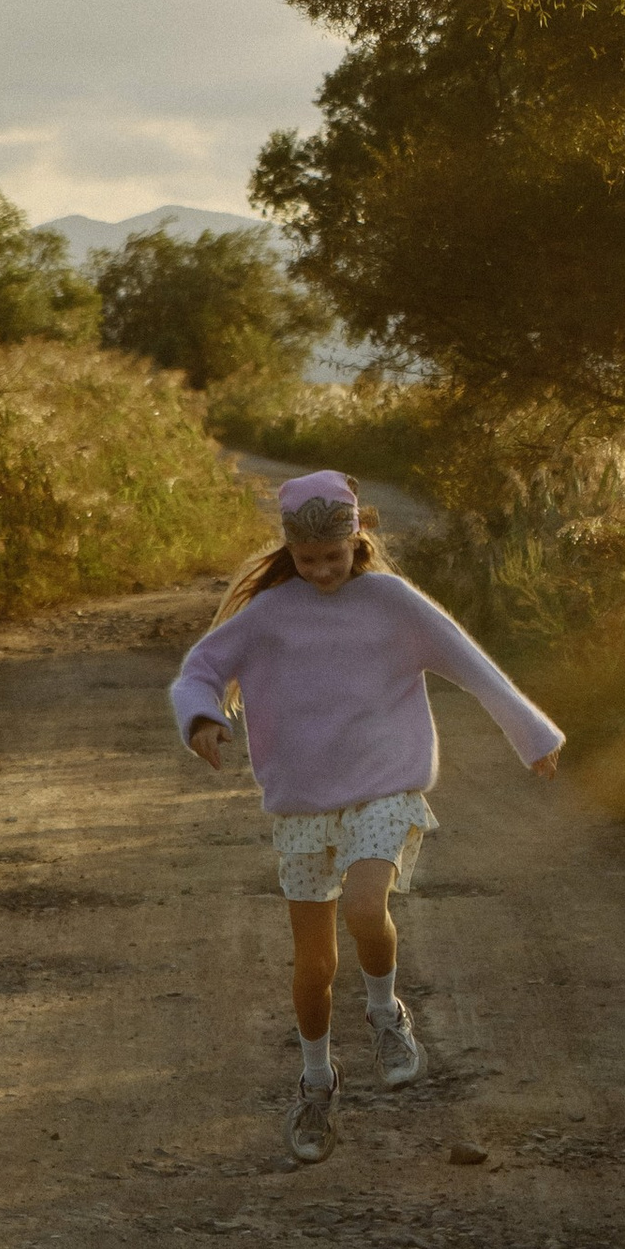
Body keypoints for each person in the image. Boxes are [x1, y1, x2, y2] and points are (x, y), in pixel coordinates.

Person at [169, 468, 564, 1164]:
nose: (322, 571)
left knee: (363, 904)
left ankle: (385, 1011)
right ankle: (317, 1081)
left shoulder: (391, 602)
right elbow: (200, 667)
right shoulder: (269, 613)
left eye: (335, 556)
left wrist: (533, 738)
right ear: (289, 550)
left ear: (360, 539)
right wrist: (202, 718)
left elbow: (474, 667)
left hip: (385, 786)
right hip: (302, 803)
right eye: (307, 560)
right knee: (313, 968)